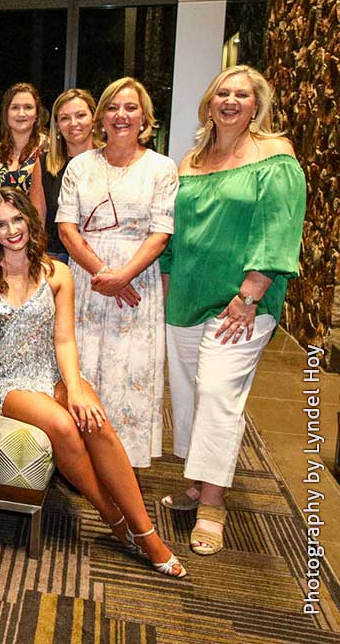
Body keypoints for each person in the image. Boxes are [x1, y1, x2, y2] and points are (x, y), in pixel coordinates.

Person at [0, 188, 185, 578]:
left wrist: (74, 387)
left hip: (51, 369)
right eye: (0, 224)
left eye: (17, 219)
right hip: (6, 378)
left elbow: (64, 340)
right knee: (62, 425)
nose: (12, 230)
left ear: (29, 220)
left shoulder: (57, 272)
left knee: (95, 419)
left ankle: (145, 530)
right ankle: (111, 514)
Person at [159, 65, 305, 556]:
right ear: (210, 102)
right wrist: (166, 283)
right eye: (223, 93)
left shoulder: (275, 155)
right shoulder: (191, 160)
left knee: (219, 393)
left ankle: (213, 504)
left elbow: (279, 227)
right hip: (186, 296)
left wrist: (251, 292)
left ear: (256, 105)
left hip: (241, 302)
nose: (231, 101)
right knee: (188, 396)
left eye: (242, 95)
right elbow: (175, 230)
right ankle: (199, 480)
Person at [55, 77, 178, 468]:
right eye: (112, 107)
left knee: (129, 372)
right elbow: (66, 229)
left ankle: (124, 468)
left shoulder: (161, 168)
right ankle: (83, 465)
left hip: (137, 282)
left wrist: (124, 276)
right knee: (83, 368)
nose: (121, 115)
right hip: (86, 280)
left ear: (145, 117)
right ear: (101, 117)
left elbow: (161, 233)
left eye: (130, 108)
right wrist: (105, 273)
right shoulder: (80, 165)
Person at [31, 89, 98, 263]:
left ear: (93, 118)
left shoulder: (109, 160)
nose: (73, 123)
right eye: (65, 118)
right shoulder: (45, 164)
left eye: (80, 115)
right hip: (57, 259)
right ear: (57, 125)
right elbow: (37, 223)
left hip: (103, 255)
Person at [0, 83, 46, 216]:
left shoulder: (49, 151)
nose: (21, 113)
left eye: (28, 107)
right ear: (6, 113)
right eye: (15, 107)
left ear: (37, 114)